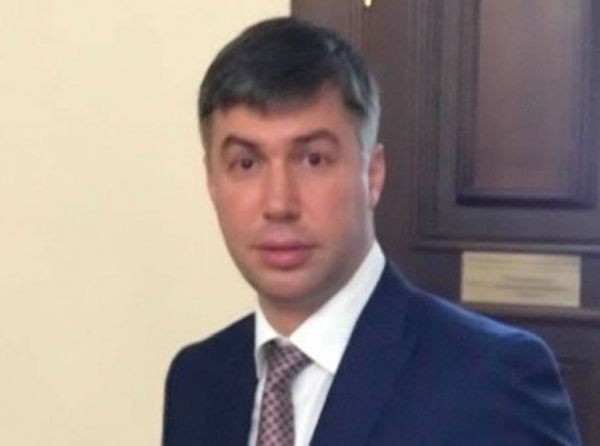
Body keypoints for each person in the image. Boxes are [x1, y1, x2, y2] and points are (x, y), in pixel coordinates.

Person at [162, 17, 581, 446]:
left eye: (313, 160)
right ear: (212, 183)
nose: (279, 204)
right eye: (246, 164)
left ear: (373, 174)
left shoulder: (490, 377)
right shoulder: (197, 379)